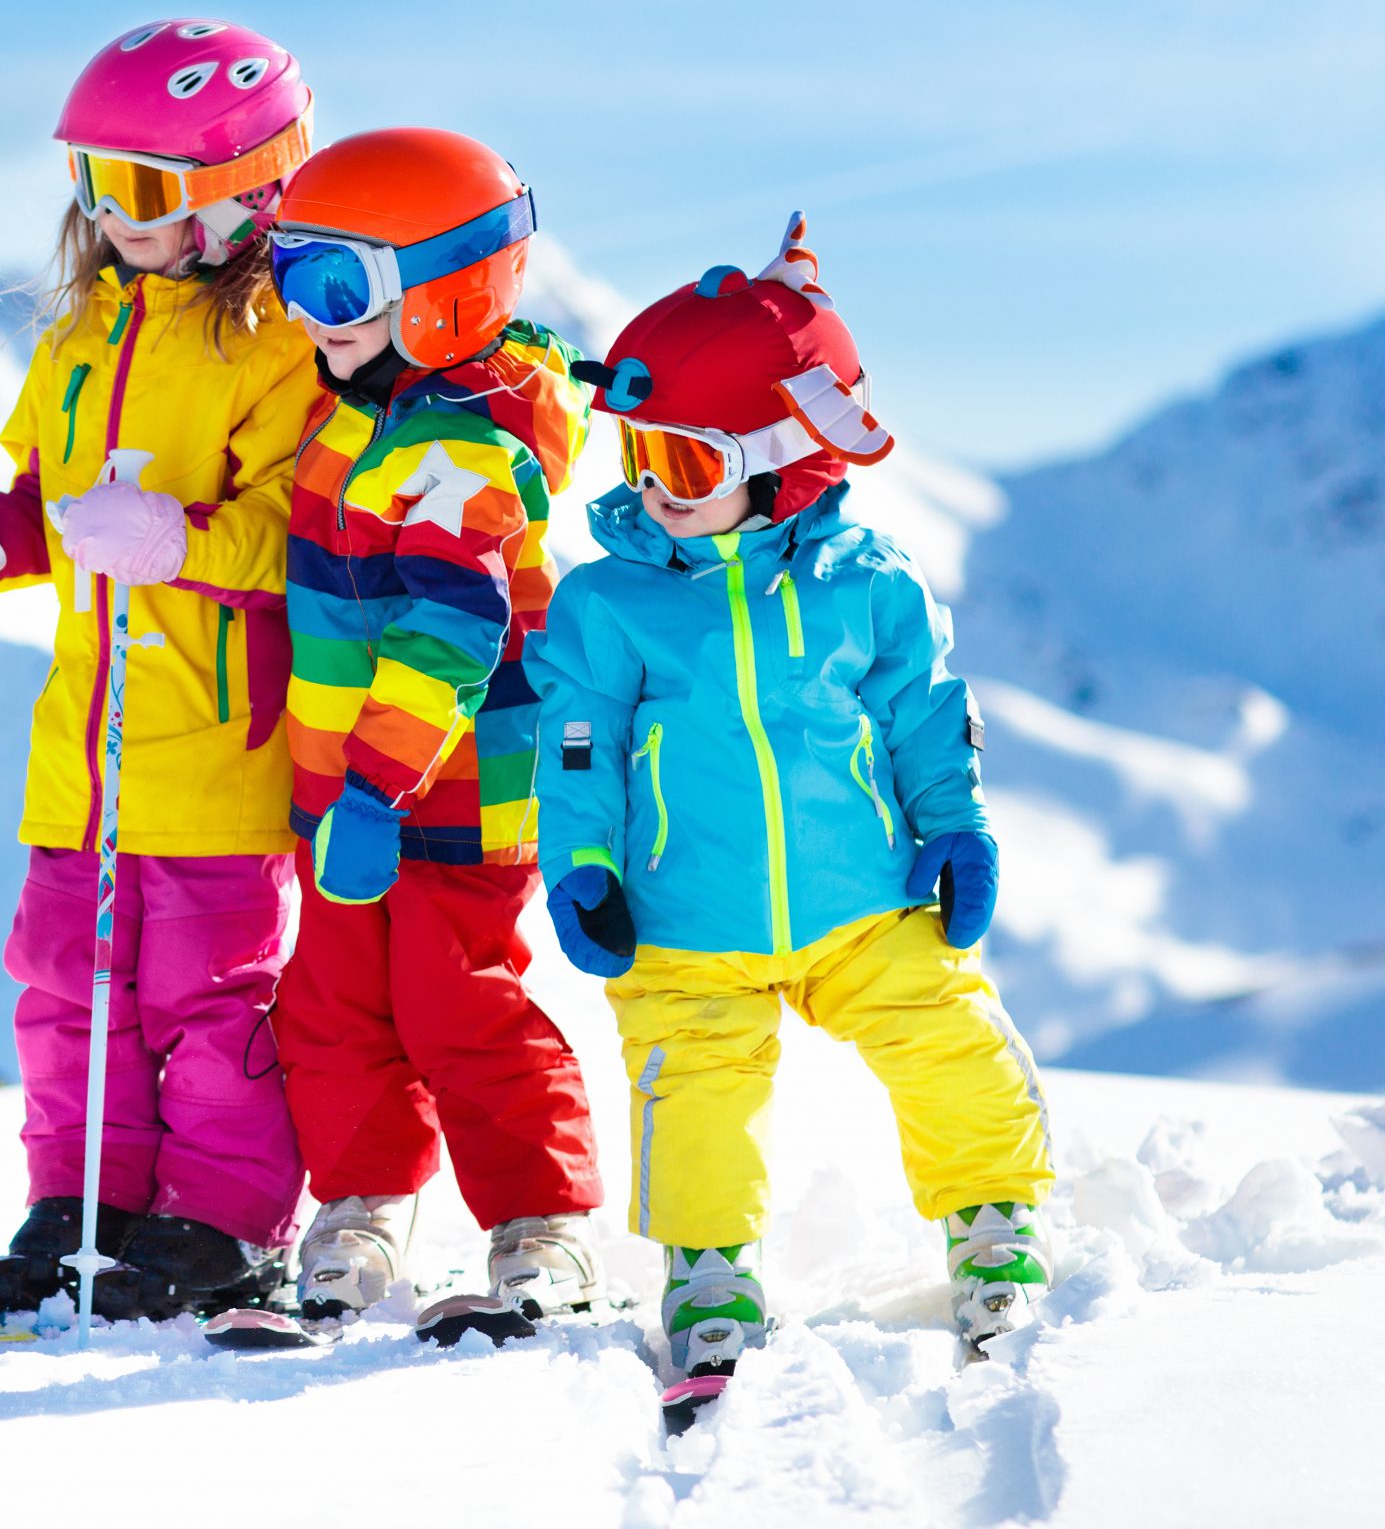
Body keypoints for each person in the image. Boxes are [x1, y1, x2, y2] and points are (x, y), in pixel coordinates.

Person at [529, 213, 1055, 1385]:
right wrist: (583, 863)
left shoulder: (867, 585)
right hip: (682, 914)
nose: (656, 489)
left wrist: (952, 823)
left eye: (688, 462)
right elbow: (578, 743)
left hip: (859, 892)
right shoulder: (609, 603)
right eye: (641, 455)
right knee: (693, 1085)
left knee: (949, 1037)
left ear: (786, 461)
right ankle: (710, 1266)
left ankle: (995, 1220)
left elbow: (926, 710)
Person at [0, 19, 322, 1321]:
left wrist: (183, 539)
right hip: (82, 749)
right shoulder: (78, 337)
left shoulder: (282, 344)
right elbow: (49, 506)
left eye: (137, 187)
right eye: (90, 179)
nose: (106, 214)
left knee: (207, 1001)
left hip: (215, 736)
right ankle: (82, 1204)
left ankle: (224, 1217)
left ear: (250, 187)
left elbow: (311, 526)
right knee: (67, 991)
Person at [264, 127, 607, 1322]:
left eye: (338, 281)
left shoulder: (456, 445)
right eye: (288, 271)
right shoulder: (361, 402)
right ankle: (359, 1204)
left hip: (446, 795)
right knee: (333, 1005)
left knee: (458, 1004)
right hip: (345, 794)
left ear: (447, 292)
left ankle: (540, 1222)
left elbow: (445, 639)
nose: (308, 311)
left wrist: (372, 788)